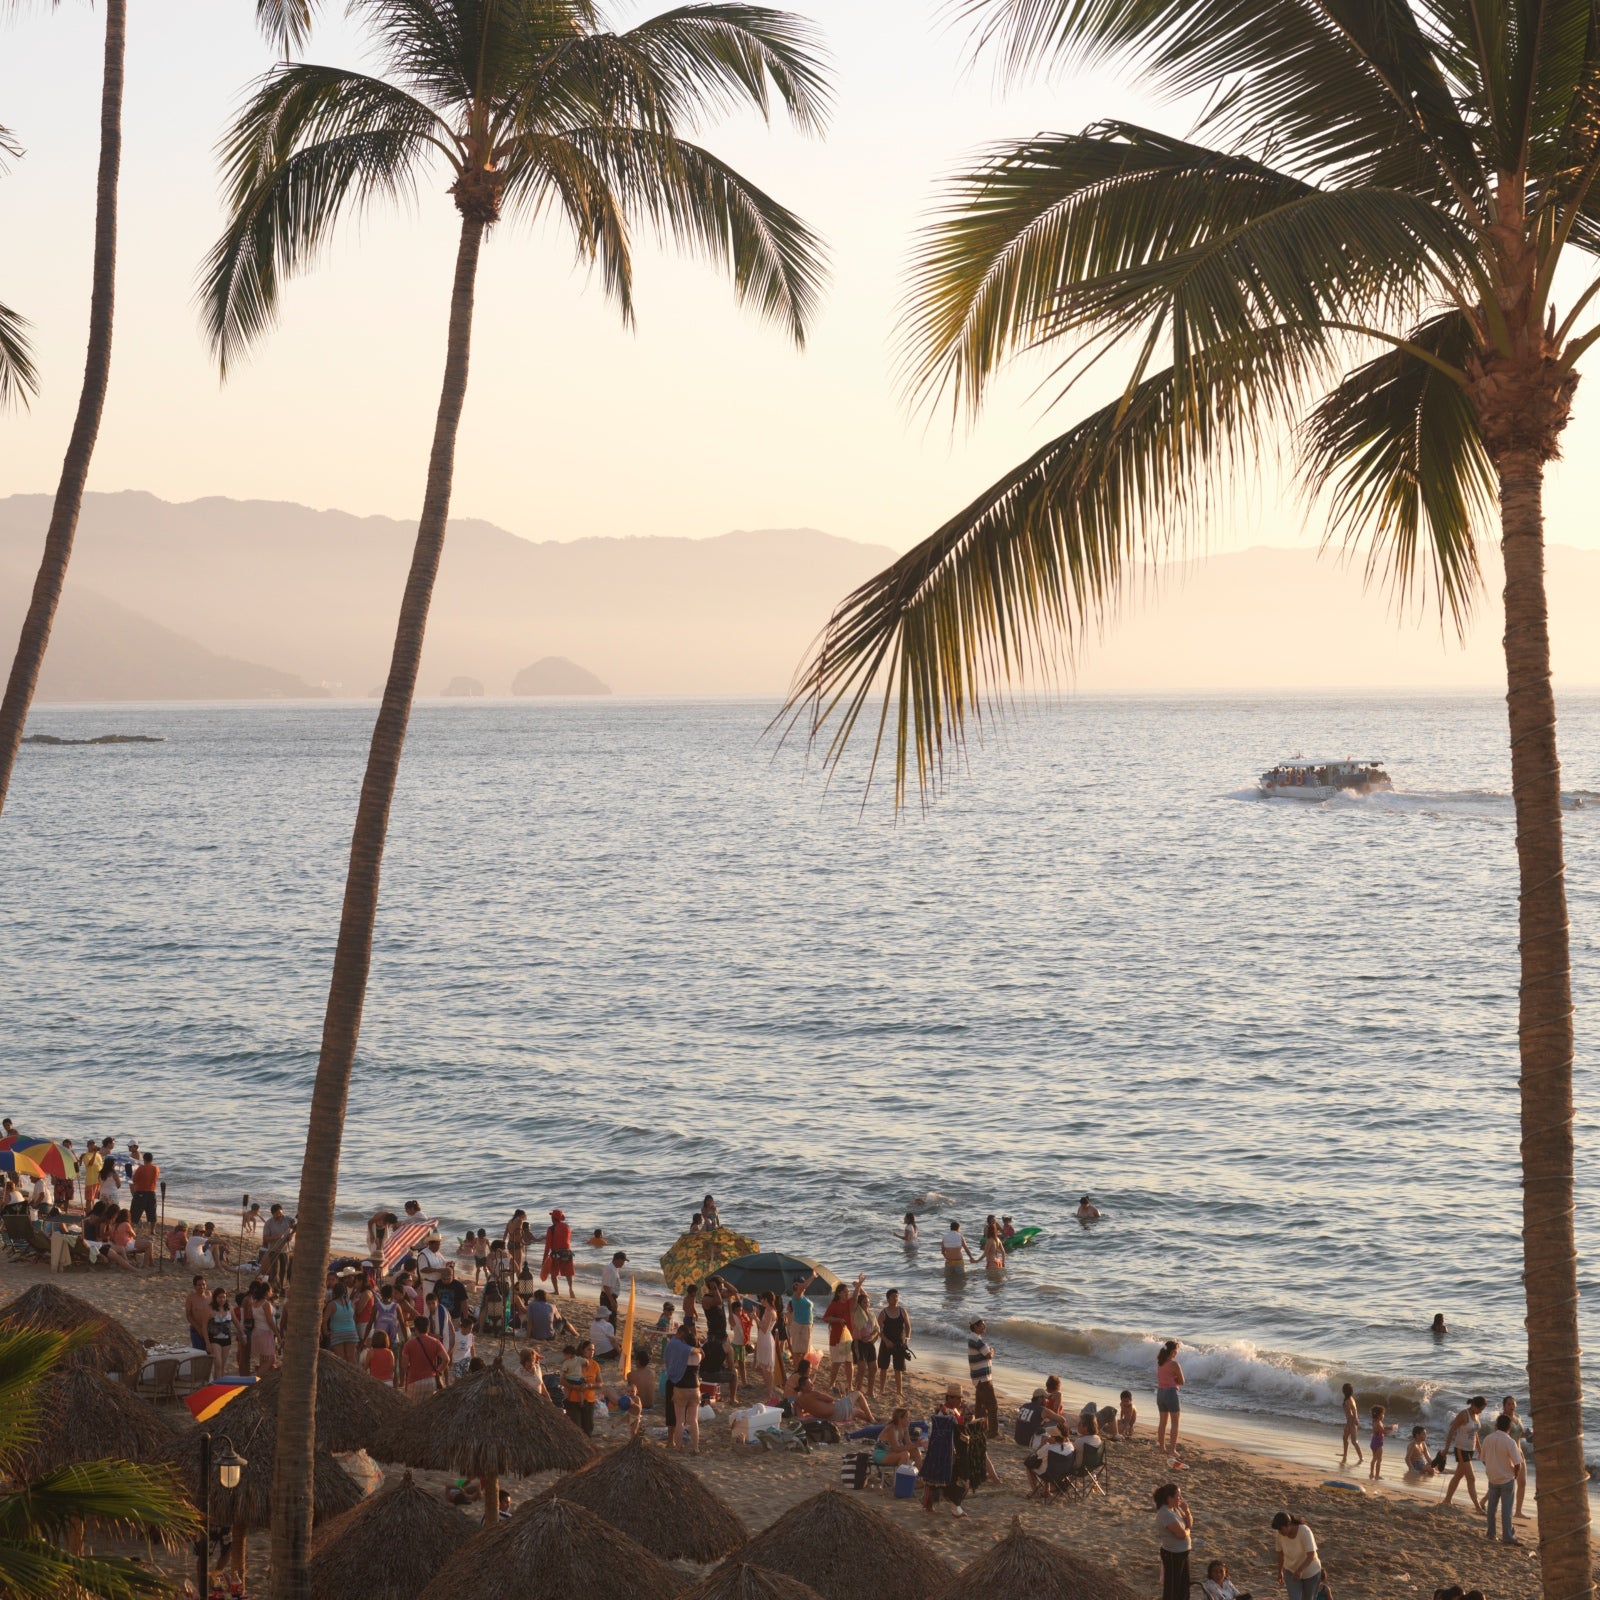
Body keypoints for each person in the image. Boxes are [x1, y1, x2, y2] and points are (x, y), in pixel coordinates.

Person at [1479, 1413, 1526, 1543]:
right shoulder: (1510, 1441)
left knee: (1491, 1508)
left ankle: (1491, 1534)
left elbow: (1483, 1459)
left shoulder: (1488, 1438)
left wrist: (1491, 1467)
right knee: (1506, 1509)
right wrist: (1515, 1474)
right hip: (1506, 1479)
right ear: (1509, 1428)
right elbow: (1518, 1463)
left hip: (1492, 1477)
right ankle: (1508, 1536)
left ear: (1496, 1426)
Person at [1442, 1396, 1488, 1511]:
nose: (1481, 1411)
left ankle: (1447, 1500)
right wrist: (1446, 1449)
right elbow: (1452, 1430)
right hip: (1461, 1449)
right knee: (1471, 1478)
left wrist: (1480, 1450)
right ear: (1474, 1406)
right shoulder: (1464, 1414)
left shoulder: (1476, 1415)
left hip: (1470, 1450)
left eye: (1482, 1409)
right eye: (1480, 1409)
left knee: (1458, 1475)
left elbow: (1475, 1434)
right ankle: (1478, 1507)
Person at [791, 1365, 875, 1426]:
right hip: (837, 1411)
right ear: (803, 1386)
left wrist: (811, 1412)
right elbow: (830, 1399)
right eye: (810, 1384)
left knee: (857, 1412)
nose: (812, 1385)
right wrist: (822, 1394)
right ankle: (872, 1419)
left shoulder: (798, 1401)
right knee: (858, 1393)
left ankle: (877, 1419)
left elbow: (800, 1417)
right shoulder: (813, 1394)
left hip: (832, 1418)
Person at [663, 1324, 703, 1451]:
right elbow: (694, 1351)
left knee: (679, 1420)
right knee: (693, 1421)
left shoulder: (680, 1348)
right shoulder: (697, 1355)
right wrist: (700, 1348)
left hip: (680, 1386)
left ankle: (678, 1446)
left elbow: (686, 1351)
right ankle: (696, 1448)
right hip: (695, 1388)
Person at [1271, 1512, 1323, 1600]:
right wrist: (1280, 1572)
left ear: (1289, 1524)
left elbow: (1311, 1555)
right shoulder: (1280, 1535)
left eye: (1281, 1529)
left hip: (1311, 1573)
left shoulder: (1304, 1531)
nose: (1279, 1532)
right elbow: (1280, 1554)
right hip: (1291, 1571)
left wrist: (1299, 1570)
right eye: (1278, 1530)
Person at [1155, 1484, 1192, 1600]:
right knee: (1172, 1588)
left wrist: (1187, 1511)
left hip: (1182, 1553)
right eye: (1178, 1496)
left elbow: (1189, 1524)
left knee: (1184, 1585)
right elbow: (1181, 1534)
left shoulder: (1176, 1509)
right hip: (1172, 1554)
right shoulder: (1165, 1513)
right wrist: (1187, 1532)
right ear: (1169, 1498)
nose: (1180, 1498)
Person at [400, 1314, 449, 1400]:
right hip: (431, 1380)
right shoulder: (435, 1342)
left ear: (416, 1328)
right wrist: (439, 1371)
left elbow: (404, 1365)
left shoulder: (409, 1344)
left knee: (413, 1409)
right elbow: (446, 1359)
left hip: (414, 1380)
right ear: (428, 1328)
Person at [876, 1288, 911, 1398]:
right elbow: (878, 1329)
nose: (895, 1299)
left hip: (899, 1343)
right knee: (883, 1367)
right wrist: (886, 1341)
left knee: (898, 1368)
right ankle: (882, 1390)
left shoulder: (902, 1311)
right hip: (886, 1342)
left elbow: (908, 1326)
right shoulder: (883, 1312)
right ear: (888, 1299)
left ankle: (899, 1391)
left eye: (897, 1296)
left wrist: (907, 1338)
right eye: (893, 1297)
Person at [967, 1318, 998, 1438]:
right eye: (982, 1326)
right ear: (975, 1327)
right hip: (983, 1379)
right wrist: (992, 1350)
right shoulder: (976, 1339)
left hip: (978, 1378)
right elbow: (989, 1355)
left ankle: (979, 1430)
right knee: (992, 1406)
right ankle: (993, 1432)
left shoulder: (974, 1339)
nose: (984, 1328)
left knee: (980, 1406)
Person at [562, 1339, 601, 1434]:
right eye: (589, 1349)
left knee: (588, 1428)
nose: (592, 1352)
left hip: (589, 1400)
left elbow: (600, 1384)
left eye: (593, 1350)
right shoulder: (573, 1362)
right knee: (576, 1429)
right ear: (582, 1350)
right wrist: (574, 1387)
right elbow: (562, 1380)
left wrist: (589, 1386)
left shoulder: (595, 1365)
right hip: (573, 1400)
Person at [823, 1280, 857, 1387]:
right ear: (839, 1293)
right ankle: (831, 1383)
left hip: (848, 1338)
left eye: (848, 1292)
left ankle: (849, 1384)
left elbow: (857, 1296)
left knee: (849, 1362)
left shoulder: (849, 1303)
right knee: (837, 1363)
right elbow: (826, 1318)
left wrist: (859, 1285)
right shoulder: (834, 1305)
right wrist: (838, 1320)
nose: (847, 1294)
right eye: (845, 1292)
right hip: (837, 1338)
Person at [1156, 1340, 1186, 1462]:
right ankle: (1172, 1449)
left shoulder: (1160, 1363)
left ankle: (1162, 1447)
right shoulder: (1174, 1364)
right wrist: (1176, 1380)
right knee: (1175, 1422)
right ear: (1173, 1351)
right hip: (1171, 1393)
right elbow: (1182, 1381)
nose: (1177, 1353)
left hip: (1160, 1393)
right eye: (1176, 1351)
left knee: (1162, 1422)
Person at [540, 1209, 576, 1298]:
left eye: (552, 1217)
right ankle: (571, 1289)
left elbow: (547, 1245)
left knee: (553, 1273)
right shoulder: (567, 1227)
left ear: (553, 1218)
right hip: (567, 1252)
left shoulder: (551, 1229)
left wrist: (544, 1259)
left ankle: (556, 1291)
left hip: (556, 1254)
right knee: (568, 1273)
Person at [874, 1406, 922, 1472]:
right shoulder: (891, 1429)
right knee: (905, 1454)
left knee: (916, 1451)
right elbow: (896, 1449)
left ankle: (917, 1477)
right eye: (907, 1417)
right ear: (900, 1419)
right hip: (882, 1454)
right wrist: (915, 1445)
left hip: (892, 1453)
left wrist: (919, 1444)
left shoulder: (904, 1428)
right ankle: (901, 1479)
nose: (909, 1419)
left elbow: (908, 1444)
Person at [324, 1284, 360, 1364]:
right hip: (351, 1332)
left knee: (340, 1359)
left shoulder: (332, 1304)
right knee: (351, 1357)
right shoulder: (351, 1303)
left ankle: (343, 1376)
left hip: (337, 1333)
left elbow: (325, 1320)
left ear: (334, 1292)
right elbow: (353, 1318)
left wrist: (325, 1331)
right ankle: (354, 1375)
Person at [787, 1273, 817, 1361]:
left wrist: (811, 1325)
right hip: (799, 1326)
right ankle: (798, 1371)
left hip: (807, 1326)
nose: (804, 1285)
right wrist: (813, 1276)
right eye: (801, 1283)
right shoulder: (796, 1295)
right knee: (797, 1352)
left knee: (805, 1352)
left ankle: (802, 1372)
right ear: (796, 1285)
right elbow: (803, 1287)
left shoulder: (803, 1297)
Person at [206, 1289, 236, 1376]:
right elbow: (204, 1326)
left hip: (227, 1340)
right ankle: (216, 1385)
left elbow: (236, 1322)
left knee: (222, 1366)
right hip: (214, 1340)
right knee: (218, 1364)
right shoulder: (210, 1309)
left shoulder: (229, 1308)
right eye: (220, 1297)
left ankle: (220, 1385)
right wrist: (207, 1343)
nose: (222, 1299)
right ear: (215, 1298)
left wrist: (242, 1334)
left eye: (224, 1297)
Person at [754, 1291, 779, 1390]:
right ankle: (768, 1387)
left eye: (762, 1299)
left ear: (766, 1299)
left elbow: (764, 1329)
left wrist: (755, 1318)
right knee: (763, 1367)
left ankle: (770, 1390)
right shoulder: (767, 1310)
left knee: (767, 1368)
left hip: (766, 1338)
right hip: (763, 1338)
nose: (761, 1301)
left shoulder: (770, 1312)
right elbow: (762, 1326)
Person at [129, 1152, 159, 1230]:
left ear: (144, 1159)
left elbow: (134, 1179)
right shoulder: (156, 1168)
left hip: (140, 1192)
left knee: (135, 1212)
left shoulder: (141, 1168)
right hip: (151, 1192)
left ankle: (131, 1227)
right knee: (152, 1212)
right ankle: (152, 1230)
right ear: (152, 1159)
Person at [1369, 1404, 1397, 1480]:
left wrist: (1391, 1427)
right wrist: (1392, 1430)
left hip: (1374, 1442)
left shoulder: (1377, 1422)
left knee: (1375, 1459)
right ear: (1379, 1415)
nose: (1384, 1415)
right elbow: (1384, 1432)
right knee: (1378, 1459)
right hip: (1378, 1443)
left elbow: (1384, 1428)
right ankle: (1376, 1475)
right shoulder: (1378, 1423)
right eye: (1383, 1414)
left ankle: (1371, 1474)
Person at [185, 1274, 213, 1353]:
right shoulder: (191, 1298)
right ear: (195, 1286)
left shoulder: (209, 1295)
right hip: (197, 1330)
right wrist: (198, 1328)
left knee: (210, 1352)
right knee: (199, 1353)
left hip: (210, 1329)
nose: (202, 1287)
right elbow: (188, 1315)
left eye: (203, 1284)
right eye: (199, 1285)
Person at [1340, 1382, 1363, 1466]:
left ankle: (1361, 1457)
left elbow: (1350, 1414)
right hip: (1355, 1421)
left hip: (1351, 1422)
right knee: (1345, 1438)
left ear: (1344, 1391)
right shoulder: (1352, 1399)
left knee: (1353, 1441)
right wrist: (1356, 1419)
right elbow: (1355, 1412)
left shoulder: (1347, 1401)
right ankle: (1346, 1454)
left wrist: (1348, 1425)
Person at [599, 1251, 626, 1319]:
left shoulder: (614, 1269)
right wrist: (612, 1301)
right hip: (607, 1297)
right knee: (610, 1320)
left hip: (609, 1297)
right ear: (618, 1260)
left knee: (610, 1319)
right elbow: (606, 1286)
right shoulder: (610, 1270)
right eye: (623, 1261)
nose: (623, 1263)